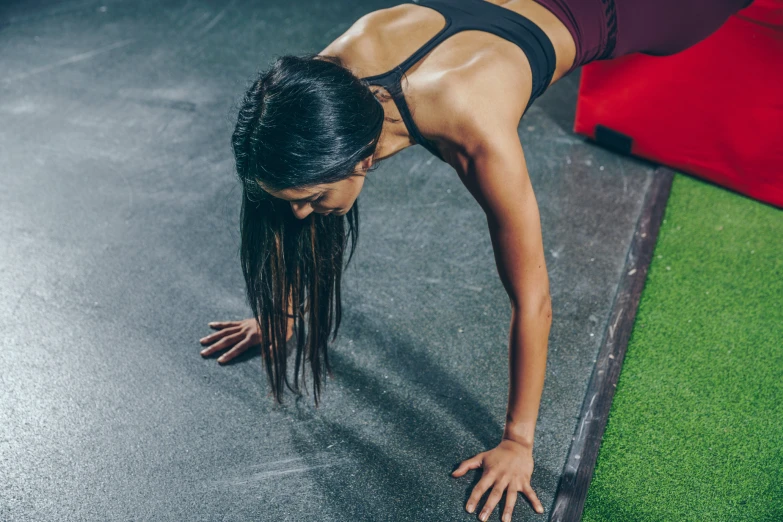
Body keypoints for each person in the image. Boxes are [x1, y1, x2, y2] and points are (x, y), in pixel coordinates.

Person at [198, 0, 753, 518]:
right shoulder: (325, 87)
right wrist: (284, 312)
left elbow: (533, 300)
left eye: (313, 200)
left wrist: (518, 441)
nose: (301, 215)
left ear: (362, 161)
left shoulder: (475, 131)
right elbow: (295, 197)